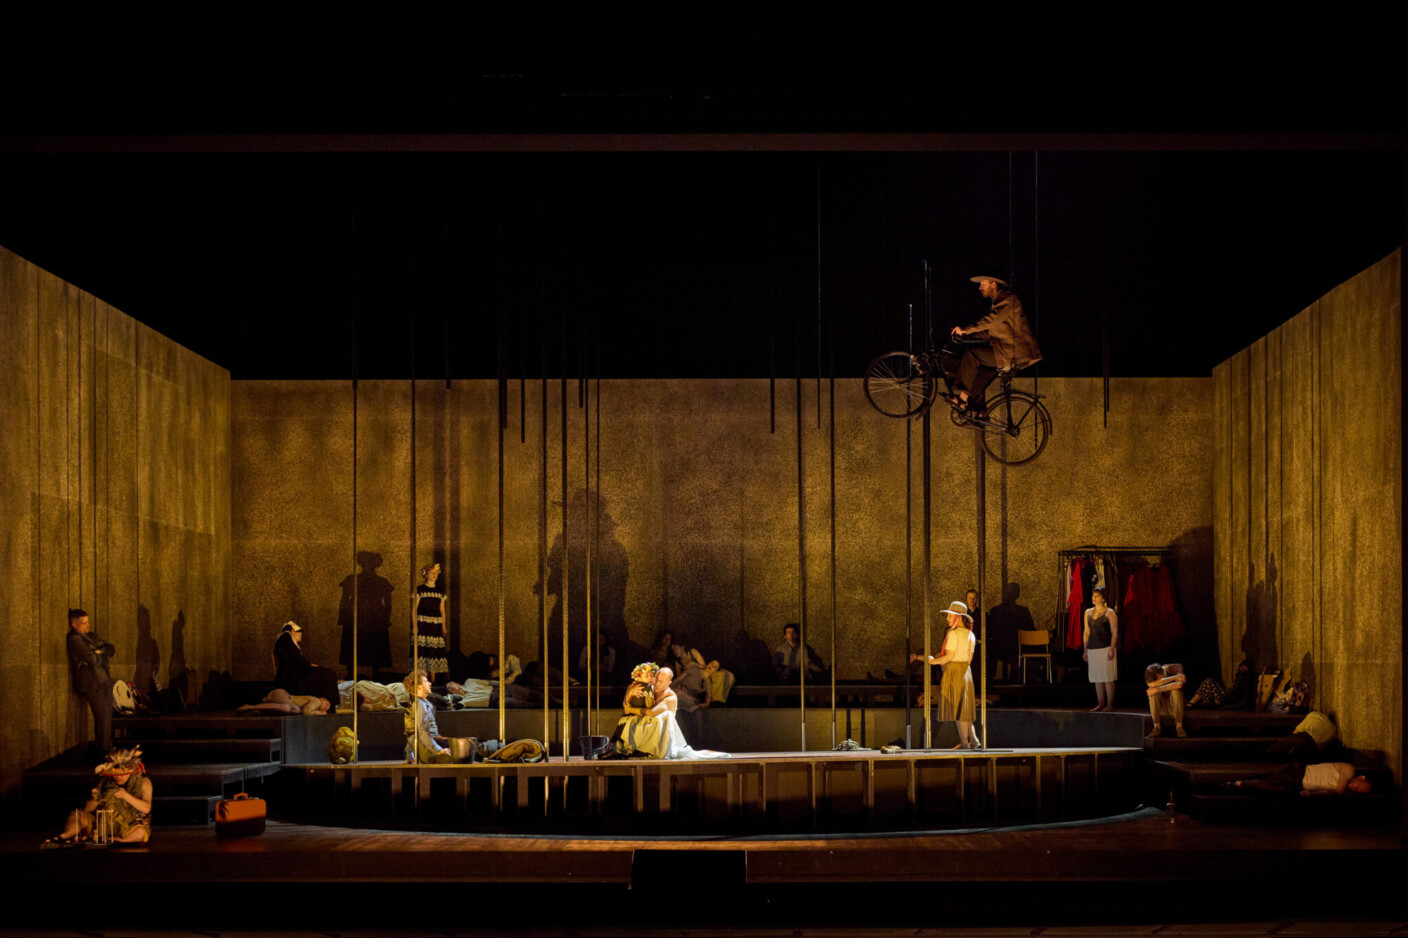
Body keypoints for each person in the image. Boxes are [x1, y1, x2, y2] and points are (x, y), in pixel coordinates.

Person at [940, 275, 1042, 412]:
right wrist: (966, 335)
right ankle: (979, 410)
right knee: (981, 370)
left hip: (1011, 354)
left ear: (993, 284)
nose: (980, 287)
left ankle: (962, 398)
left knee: (973, 355)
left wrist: (966, 330)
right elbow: (990, 331)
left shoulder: (1008, 300)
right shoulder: (999, 302)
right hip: (1006, 353)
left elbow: (990, 321)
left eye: (983, 283)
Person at [612, 663, 728, 760]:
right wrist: (630, 693)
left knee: (665, 715)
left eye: (661, 681)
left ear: (669, 683)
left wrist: (631, 709)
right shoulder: (651, 688)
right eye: (656, 679)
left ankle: (653, 751)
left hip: (662, 734)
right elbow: (628, 700)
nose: (656, 683)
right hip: (647, 728)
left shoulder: (670, 697)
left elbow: (652, 712)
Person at [45, 747, 152, 845]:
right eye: (115, 775)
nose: (118, 778)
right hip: (103, 822)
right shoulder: (107, 781)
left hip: (130, 825)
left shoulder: (144, 782)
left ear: (131, 771)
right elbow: (88, 808)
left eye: (121, 775)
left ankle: (115, 839)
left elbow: (146, 808)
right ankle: (64, 836)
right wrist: (97, 798)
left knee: (140, 833)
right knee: (77, 814)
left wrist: (125, 796)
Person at [911, 601, 981, 750]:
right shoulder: (970, 634)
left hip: (955, 671)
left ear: (958, 617)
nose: (947, 619)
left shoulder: (953, 634)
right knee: (964, 708)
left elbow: (948, 657)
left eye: (950, 616)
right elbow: (969, 658)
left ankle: (965, 743)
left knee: (958, 710)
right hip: (966, 672)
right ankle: (973, 740)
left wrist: (933, 662)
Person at [66, 609, 115, 756]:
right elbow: (92, 659)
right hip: (92, 683)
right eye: (84, 623)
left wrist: (98, 652)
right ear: (74, 625)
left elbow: (111, 649)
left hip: (104, 679)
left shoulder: (92, 636)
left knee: (106, 715)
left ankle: (104, 747)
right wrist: (98, 653)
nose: (88, 625)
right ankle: (105, 750)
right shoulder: (74, 639)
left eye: (88, 622)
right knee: (102, 716)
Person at [272, 622, 340, 706]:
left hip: (294, 673)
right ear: (292, 630)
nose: (300, 636)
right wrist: (309, 666)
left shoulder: (285, 639)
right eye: (299, 633)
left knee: (326, 673)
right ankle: (330, 704)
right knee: (328, 674)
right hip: (292, 676)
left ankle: (326, 703)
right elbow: (296, 658)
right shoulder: (286, 636)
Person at [1226, 762, 1374, 797]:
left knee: (1272, 788)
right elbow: (1339, 790)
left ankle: (1239, 784)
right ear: (1361, 778)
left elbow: (1326, 791)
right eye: (1360, 785)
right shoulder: (1348, 769)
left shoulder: (1338, 790)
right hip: (1298, 772)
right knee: (1269, 785)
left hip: (1299, 785)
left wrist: (1312, 794)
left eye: (1359, 791)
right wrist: (1342, 793)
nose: (1356, 788)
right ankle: (1237, 783)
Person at [403, 669, 453, 763]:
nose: (430, 683)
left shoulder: (419, 702)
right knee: (465, 750)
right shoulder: (419, 704)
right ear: (418, 687)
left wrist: (409, 755)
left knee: (460, 745)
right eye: (426, 681)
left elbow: (412, 732)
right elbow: (421, 731)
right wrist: (438, 750)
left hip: (427, 747)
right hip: (427, 750)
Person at [411, 562, 449, 682]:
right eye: (432, 573)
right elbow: (414, 610)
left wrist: (443, 626)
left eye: (436, 573)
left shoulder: (439, 591)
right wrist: (415, 626)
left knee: (434, 651)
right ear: (426, 574)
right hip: (423, 624)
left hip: (436, 625)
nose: (434, 575)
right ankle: (420, 681)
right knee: (422, 650)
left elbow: (442, 610)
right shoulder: (420, 589)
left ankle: (432, 682)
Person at [1084, 588, 1118, 711]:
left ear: (1103, 598)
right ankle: (1100, 703)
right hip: (1093, 648)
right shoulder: (1087, 612)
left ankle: (1110, 705)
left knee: (1107, 677)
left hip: (1105, 647)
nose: (1094, 598)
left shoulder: (1110, 613)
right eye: (1093, 595)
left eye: (1097, 596)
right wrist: (1085, 649)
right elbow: (1086, 632)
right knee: (1097, 678)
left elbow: (1114, 632)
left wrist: (1112, 649)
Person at [1265, 710, 1341, 762]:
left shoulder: (1312, 715)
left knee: (1283, 745)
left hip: (1307, 737)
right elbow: (1323, 745)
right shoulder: (1333, 729)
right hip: (1314, 744)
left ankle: (1269, 753)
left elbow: (1296, 732)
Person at [1144, 663, 1187, 737]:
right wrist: (1175, 677)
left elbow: (1179, 684)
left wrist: (1157, 689)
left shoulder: (1176, 668)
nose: (1159, 682)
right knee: (1153, 694)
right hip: (1161, 708)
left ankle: (1179, 726)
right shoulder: (1151, 676)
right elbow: (1150, 685)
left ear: (1163, 672)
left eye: (1159, 679)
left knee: (1176, 690)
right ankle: (1156, 727)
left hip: (1175, 707)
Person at [238, 687, 330, 715]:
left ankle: (255, 710)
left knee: (289, 709)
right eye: (326, 705)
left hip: (279, 695)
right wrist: (318, 713)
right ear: (322, 699)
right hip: (282, 695)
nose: (324, 709)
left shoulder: (316, 702)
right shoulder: (317, 701)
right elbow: (306, 711)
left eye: (326, 709)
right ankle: (250, 707)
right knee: (295, 710)